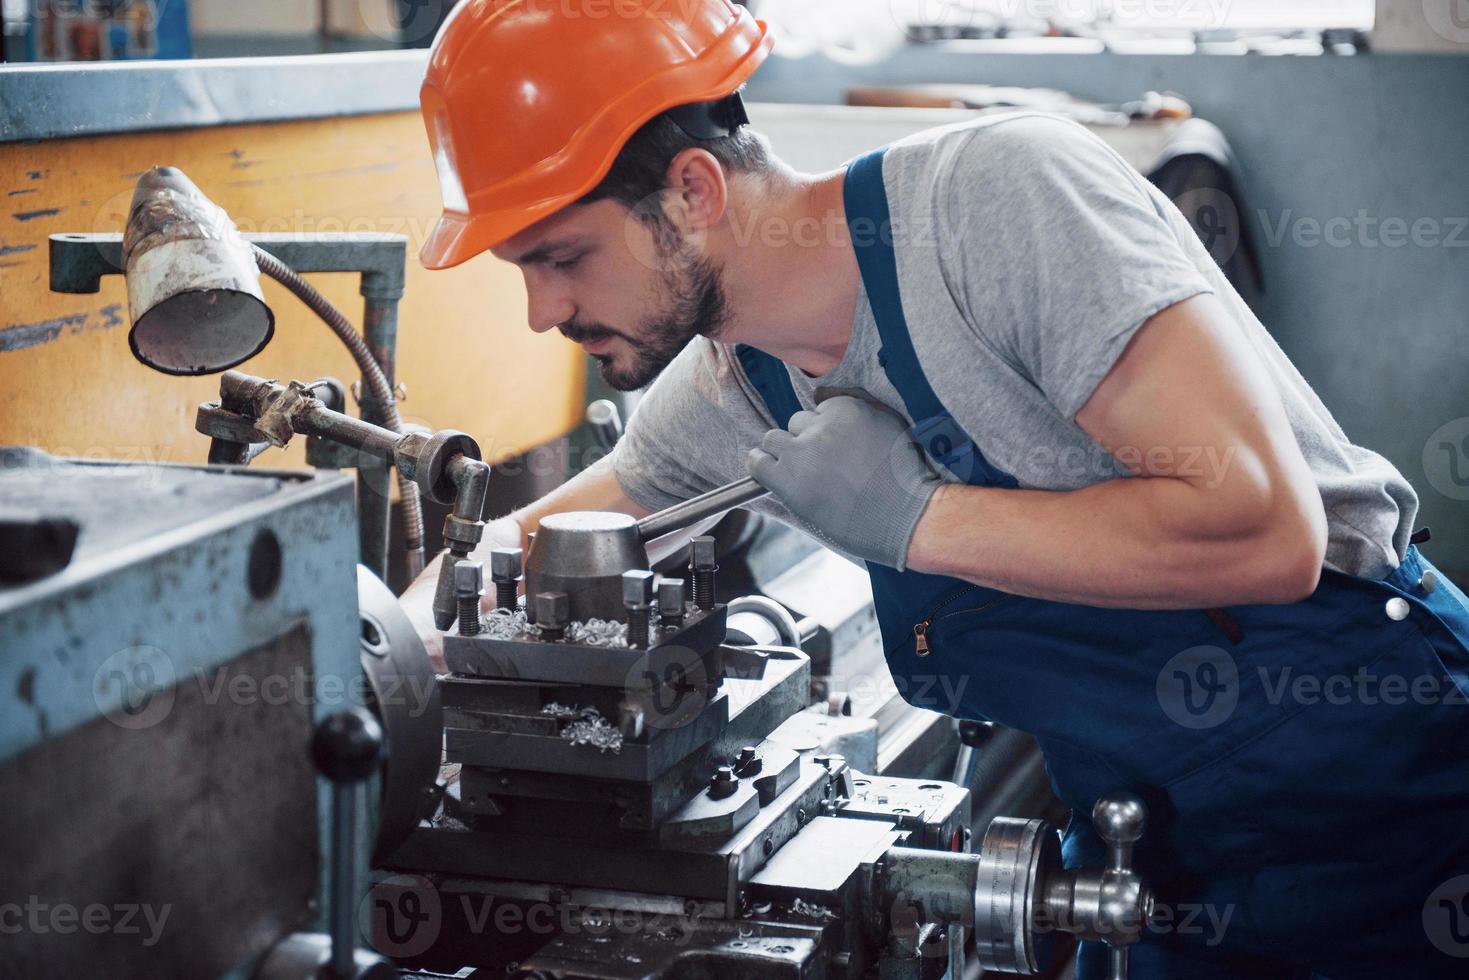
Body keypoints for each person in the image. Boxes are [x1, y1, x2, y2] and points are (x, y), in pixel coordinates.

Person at [403, 2, 1469, 975]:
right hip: (1157, 839)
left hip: (1374, 786)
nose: (543, 310)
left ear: (692, 190)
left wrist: (917, 519)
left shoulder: (996, 204)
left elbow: (1265, 535)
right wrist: (380, 654)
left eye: (562, 257)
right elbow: (533, 546)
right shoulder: (738, 383)